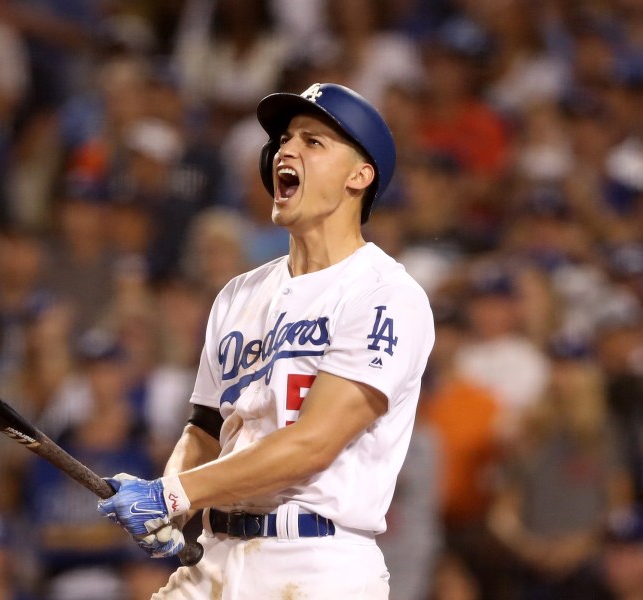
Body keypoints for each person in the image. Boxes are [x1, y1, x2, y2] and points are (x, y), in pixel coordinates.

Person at [96, 82, 435, 599]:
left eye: (312, 141)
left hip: (316, 561)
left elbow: (313, 443)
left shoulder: (385, 294)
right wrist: (174, 503)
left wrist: (173, 493)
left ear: (359, 176)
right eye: (284, 140)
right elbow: (205, 428)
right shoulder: (238, 294)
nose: (286, 150)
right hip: (215, 555)